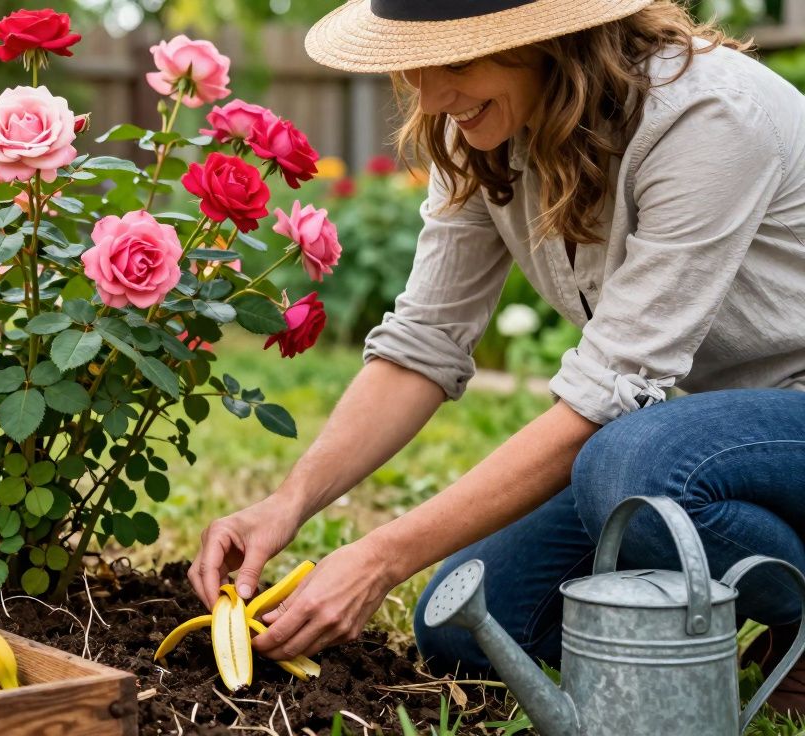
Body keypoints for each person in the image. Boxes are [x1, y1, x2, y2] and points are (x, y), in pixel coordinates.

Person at [188, 0, 805, 712]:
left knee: (631, 464)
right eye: (417, 63)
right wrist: (286, 504)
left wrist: (380, 557)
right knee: (472, 624)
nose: (433, 95)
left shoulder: (705, 119)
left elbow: (607, 391)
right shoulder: (485, 131)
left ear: (555, 42)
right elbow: (425, 342)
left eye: (456, 60)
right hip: (735, 434)